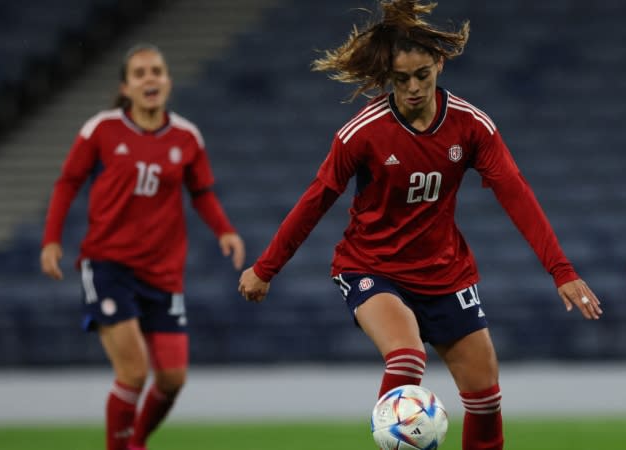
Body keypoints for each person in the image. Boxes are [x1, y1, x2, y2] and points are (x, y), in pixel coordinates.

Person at [238, 2, 602, 449]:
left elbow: (517, 196)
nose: (412, 88)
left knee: (485, 396)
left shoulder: (471, 126)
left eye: (422, 75)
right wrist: (266, 267)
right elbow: (316, 200)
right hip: (371, 266)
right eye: (400, 79)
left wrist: (561, 271)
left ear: (440, 64)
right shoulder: (362, 132)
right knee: (407, 356)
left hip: (444, 273)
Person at [40, 43, 245, 450]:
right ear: (126, 87)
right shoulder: (102, 129)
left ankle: (135, 442)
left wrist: (225, 230)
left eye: (157, 71)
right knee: (133, 372)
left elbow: (200, 191)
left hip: (163, 272)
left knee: (171, 379)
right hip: (108, 265)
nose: (150, 78)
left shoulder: (187, 136)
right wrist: (51, 240)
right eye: (140, 73)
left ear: (168, 81)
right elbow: (67, 183)